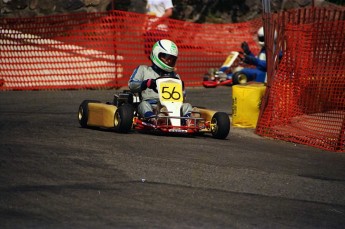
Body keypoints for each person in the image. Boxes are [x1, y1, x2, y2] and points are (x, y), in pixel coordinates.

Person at [128, 39, 192, 124]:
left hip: (172, 106)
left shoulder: (175, 76)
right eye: (166, 57)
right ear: (156, 53)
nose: (169, 61)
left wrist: (182, 90)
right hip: (151, 105)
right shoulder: (143, 70)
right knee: (143, 105)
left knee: (187, 106)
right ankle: (155, 120)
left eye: (172, 59)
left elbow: (182, 97)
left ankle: (186, 121)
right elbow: (131, 85)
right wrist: (147, 83)